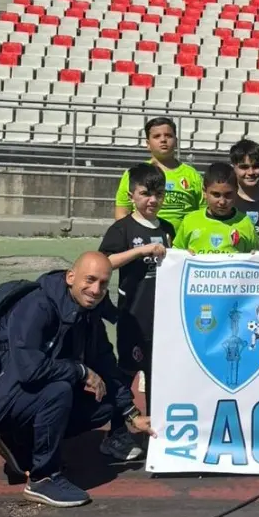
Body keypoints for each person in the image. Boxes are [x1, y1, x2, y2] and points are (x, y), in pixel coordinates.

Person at [0, 252, 155, 507]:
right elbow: (28, 369)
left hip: (22, 389)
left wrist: (130, 413)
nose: (96, 290)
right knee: (59, 390)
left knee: (102, 405)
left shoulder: (87, 313)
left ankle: (19, 442)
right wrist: (81, 371)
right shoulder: (37, 305)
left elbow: (105, 363)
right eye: (90, 280)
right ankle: (43, 478)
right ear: (71, 277)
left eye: (103, 284)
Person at [98, 164, 173, 449]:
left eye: (158, 194)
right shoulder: (122, 228)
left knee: (159, 377)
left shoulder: (167, 228)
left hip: (164, 321)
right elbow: (105, 261)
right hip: (134, 318)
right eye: (145, 194)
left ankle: (158, 436)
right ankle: (116, 433)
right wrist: (140, 251)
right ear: (132, 195)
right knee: (127, 372)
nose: (152, 200)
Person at [113, 117, 202, 224]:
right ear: (148, 144)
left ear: (176, 141)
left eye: (168, 135)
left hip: (183, 240)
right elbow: (122, 212)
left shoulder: (193, 175)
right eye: (156, 136)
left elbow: (203, 213)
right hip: (145, 239)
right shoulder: (135, 174)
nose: (163, 140)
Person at [174, 163, 258, 255]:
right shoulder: (190, 221)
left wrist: (255, 256)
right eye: (216, 195)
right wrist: (182, 254)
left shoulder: (246, 223)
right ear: (204, 192)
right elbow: (175, 255)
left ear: (236, 190)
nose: (222, 202)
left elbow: (255, 259)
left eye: (228, 195)